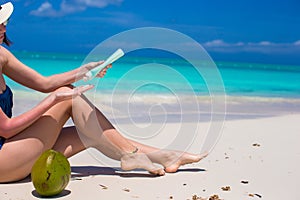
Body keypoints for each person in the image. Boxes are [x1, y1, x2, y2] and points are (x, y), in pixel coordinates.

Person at [0, 2, 207, 183]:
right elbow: (6, 129)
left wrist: (83, 72)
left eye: (4, 22)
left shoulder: (2, 55)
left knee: (89, 132)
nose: (3, 27)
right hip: (4, 160)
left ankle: (164, 156)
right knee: (68, 97)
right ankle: (131, 154)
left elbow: (44, 83)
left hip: (11, 151)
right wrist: (55, 98)